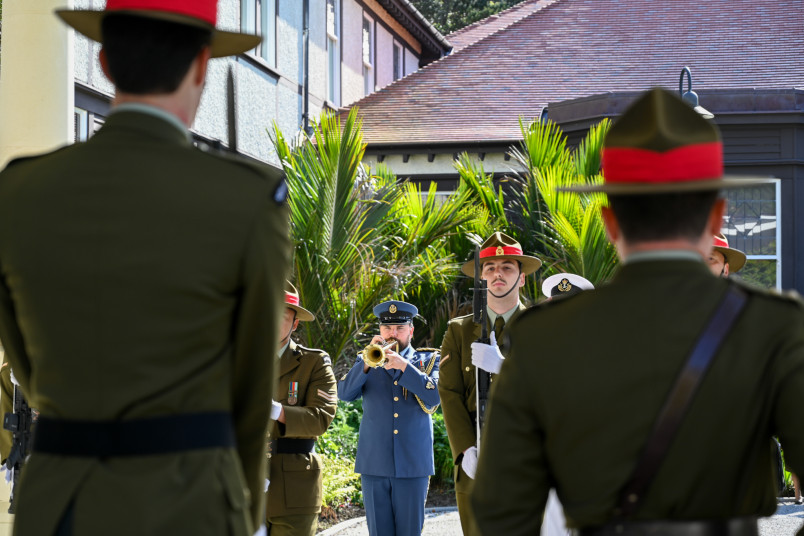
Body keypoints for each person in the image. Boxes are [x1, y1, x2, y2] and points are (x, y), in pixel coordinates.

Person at [0, 1, 290, 534]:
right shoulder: (247, 201)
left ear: (105, 62)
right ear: (202, 65)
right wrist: (244, 514)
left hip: (59, 505)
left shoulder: (18, 192)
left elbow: (26, 364)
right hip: (192, 505)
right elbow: (250, 398)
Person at [471, 88, 804, 536]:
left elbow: (500, 513)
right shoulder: (775, 329)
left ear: (610, 224)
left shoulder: (542, 337)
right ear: (715, 218)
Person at [438, 232, 542, 535]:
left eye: (508, 267)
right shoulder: (458, 331)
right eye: (490, 267)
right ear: (481, 277)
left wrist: (504, 367)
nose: (498, 273)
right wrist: (465, 449)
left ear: (521, 278)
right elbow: (449, 392)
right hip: (476, 462)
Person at [338, 301, 440, 536]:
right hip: (374, 464)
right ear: (380, 331)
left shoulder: (427, 362)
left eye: (400, 328)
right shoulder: (366, 360)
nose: (392, 334)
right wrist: (365, 363)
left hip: (413, 465)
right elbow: (344, 394)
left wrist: (405, 367)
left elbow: (434, 396)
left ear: (411, 331)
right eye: (387, 328)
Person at [265, 282, 337, 536]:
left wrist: (276, 411)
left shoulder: (313, 362)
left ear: (295, 323)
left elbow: (321, 418)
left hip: (295, 487)